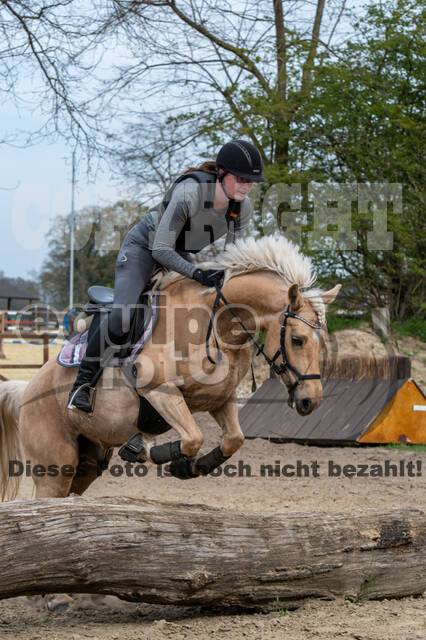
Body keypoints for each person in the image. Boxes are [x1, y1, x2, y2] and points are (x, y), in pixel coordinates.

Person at [67, 139, 265, 413]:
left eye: (251, 181)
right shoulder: (189, 193)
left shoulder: (242, 207)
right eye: (241, 179)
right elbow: (161, 249)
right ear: (221, 173)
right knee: (124, 314)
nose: (246, 185)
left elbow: (233, 255)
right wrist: (196, 271)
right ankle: (83, 384)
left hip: (180, 254)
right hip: (144, 248)